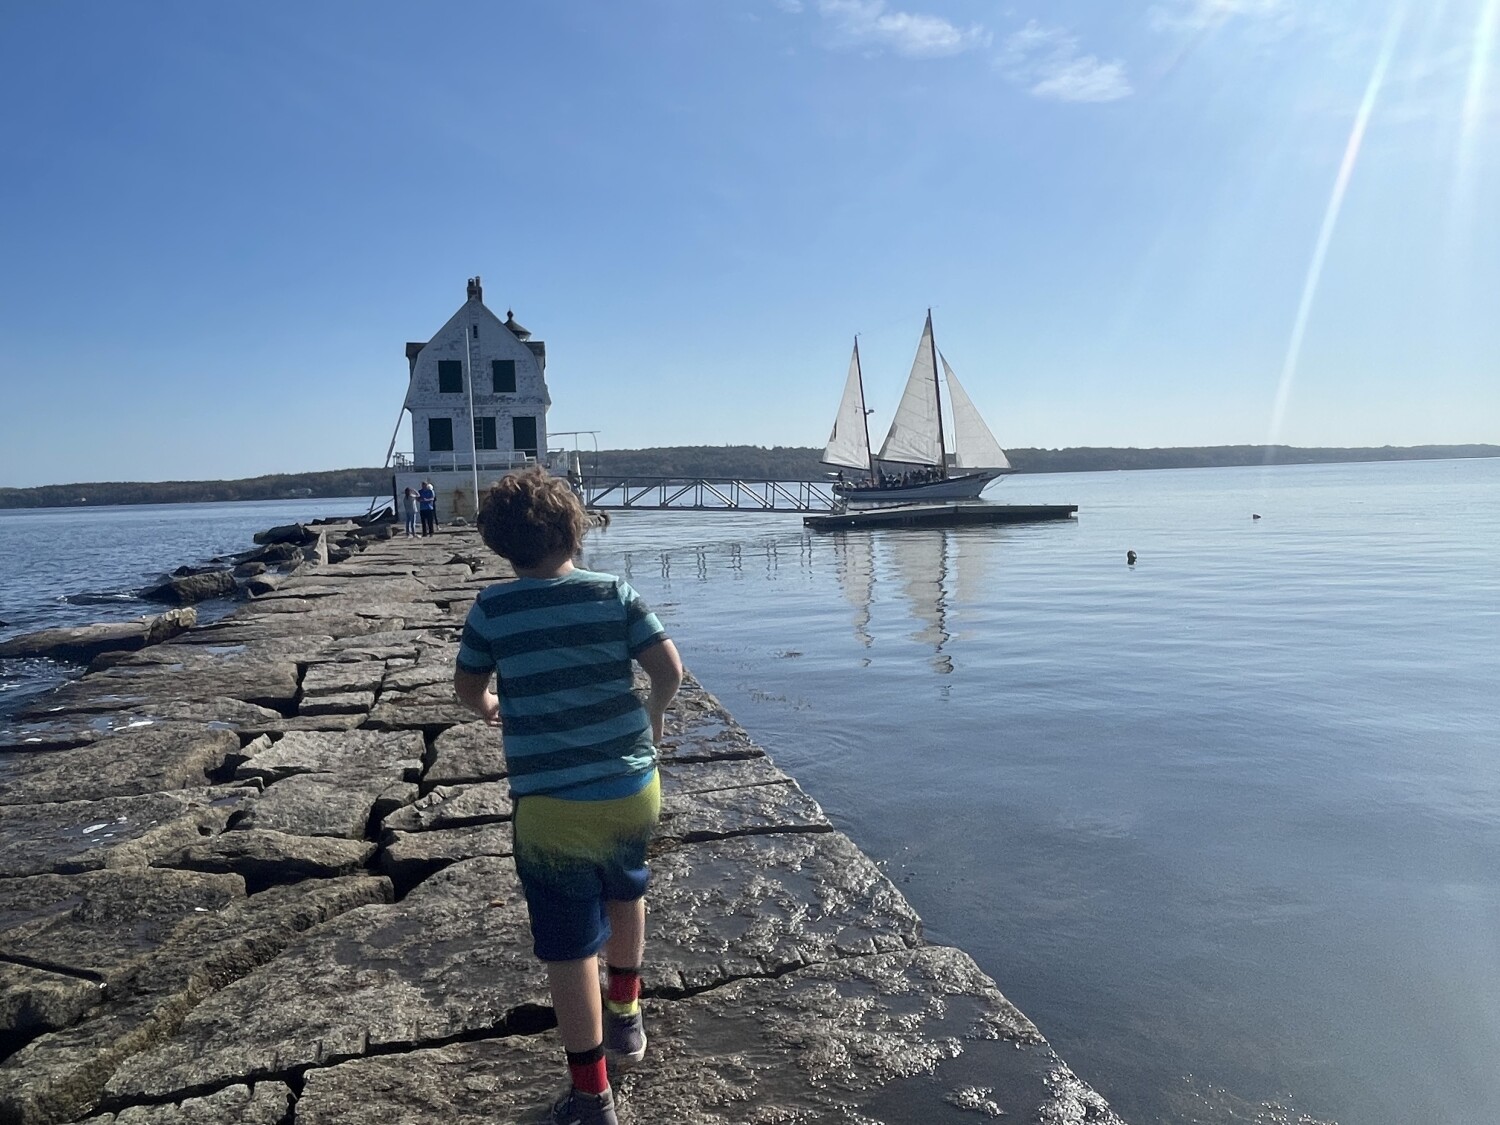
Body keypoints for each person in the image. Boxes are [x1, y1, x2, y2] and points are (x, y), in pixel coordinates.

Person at [454, 468, 682, 1125]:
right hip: (631, 788)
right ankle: (627, 1018)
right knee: (626, 889)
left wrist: (492, 702)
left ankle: (591, 1098)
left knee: (569, 945)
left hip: (550, 804)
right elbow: (669, 669)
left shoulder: (493, 608)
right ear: (574, 526)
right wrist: (655, 716)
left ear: (502, 545)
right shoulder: (614, 593)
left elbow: (468, 689)